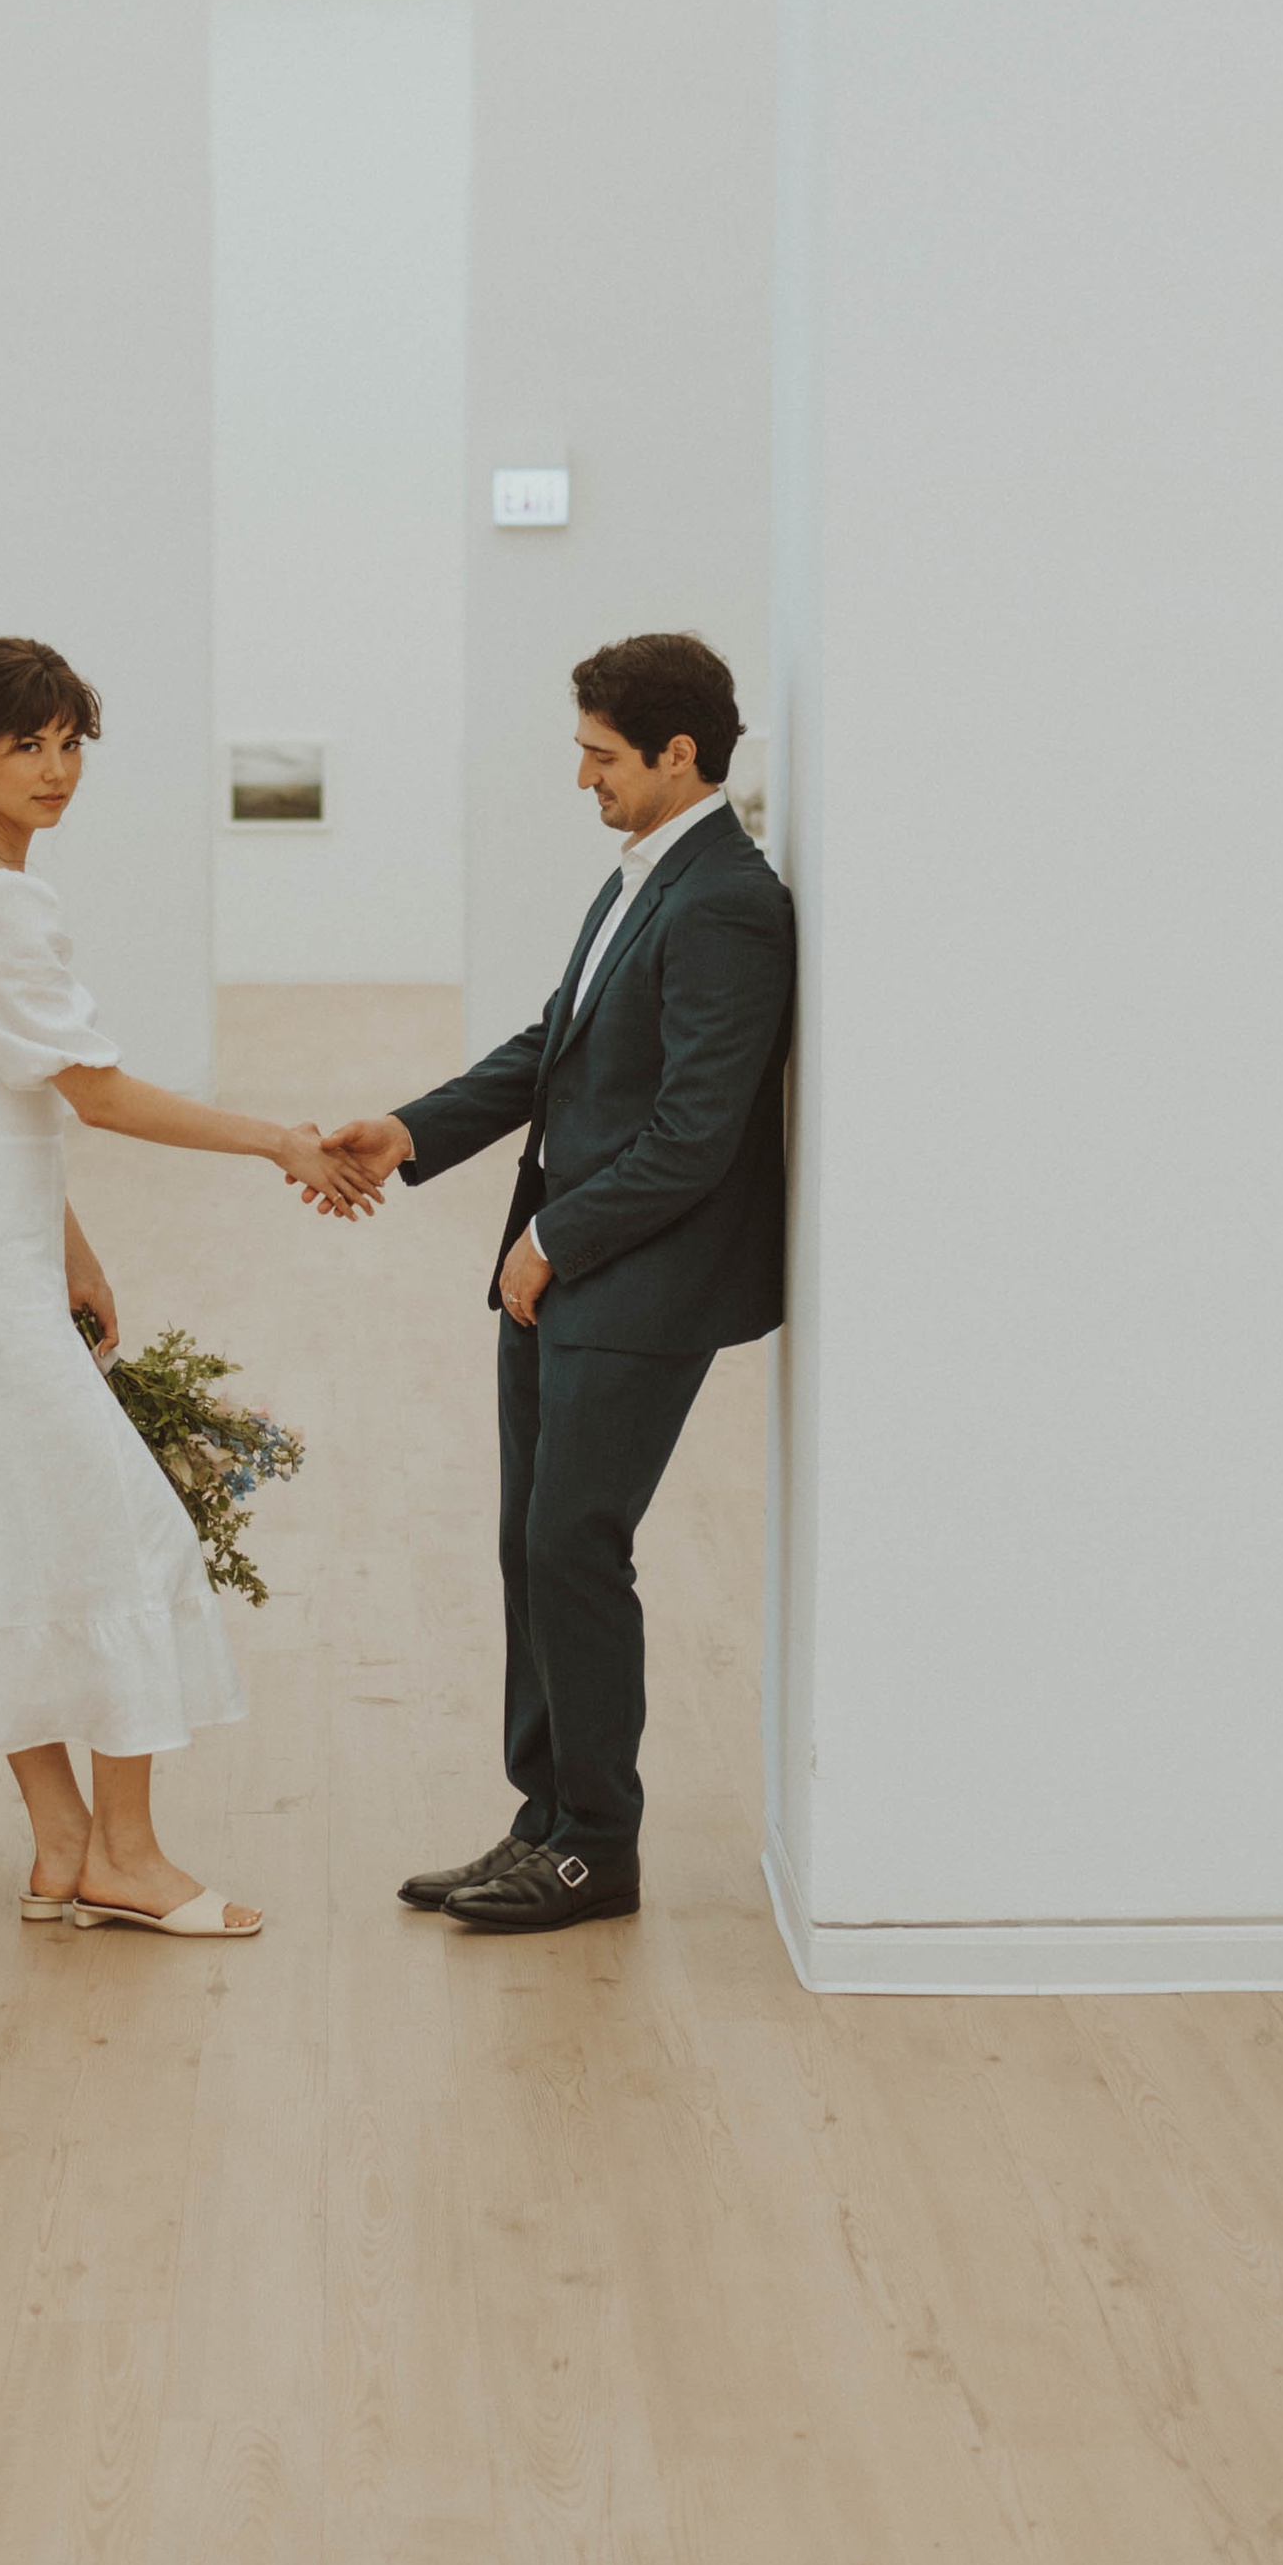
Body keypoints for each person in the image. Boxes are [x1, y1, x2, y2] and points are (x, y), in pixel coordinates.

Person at [0, 635, 377, 1941]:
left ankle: (63, 1852)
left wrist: (74, 1248)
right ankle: (132, 1858)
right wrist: (278, 1138)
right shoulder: (1, 902)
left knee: (19, 1544)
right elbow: (93, 1093)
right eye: (24, 747)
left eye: (68, 743)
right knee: (124, 1537)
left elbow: (2, 1096)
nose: (55, 771)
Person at [319, 634, 793, 1935]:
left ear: (676, 753)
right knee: (530, 1541)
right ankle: (544, 1820)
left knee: (573, 1545)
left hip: (638, 1283)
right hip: (571, 1269)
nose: (581, 776)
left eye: (599, 755)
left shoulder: (728, 904)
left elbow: (696, 1134)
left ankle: (595, 1846)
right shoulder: (645, 874)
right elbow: (558, 1048)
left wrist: (556, 1241)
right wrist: (412, 1131)